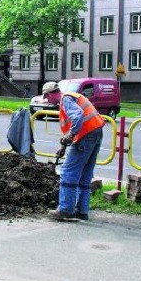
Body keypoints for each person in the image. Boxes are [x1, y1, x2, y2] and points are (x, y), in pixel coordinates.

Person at [43, 81, 105, 221]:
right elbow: (75, 124)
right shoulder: (71, 97)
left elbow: (78, 116)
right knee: (85, 174)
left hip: (86, 136)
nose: (47, 101)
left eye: (46, 98)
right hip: (95, 132)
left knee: (68, 172)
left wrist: (71, 135)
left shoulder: (65, 99)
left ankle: (65, 209)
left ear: (50, 94)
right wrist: (63, 147)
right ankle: (82, 211)